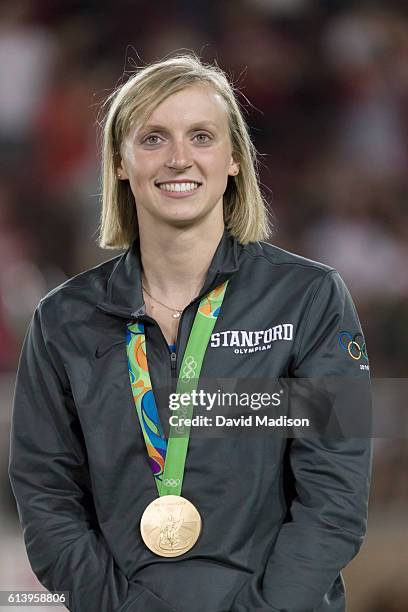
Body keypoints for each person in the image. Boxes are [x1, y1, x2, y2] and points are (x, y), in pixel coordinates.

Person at [9, 52, 372, 612]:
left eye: (201, 136)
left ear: (233, 160)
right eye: (153, 138)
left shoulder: (309, 299)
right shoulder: (63, 320)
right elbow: (47, 495)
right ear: (121, 162)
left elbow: (334, 497)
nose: (179, 158)